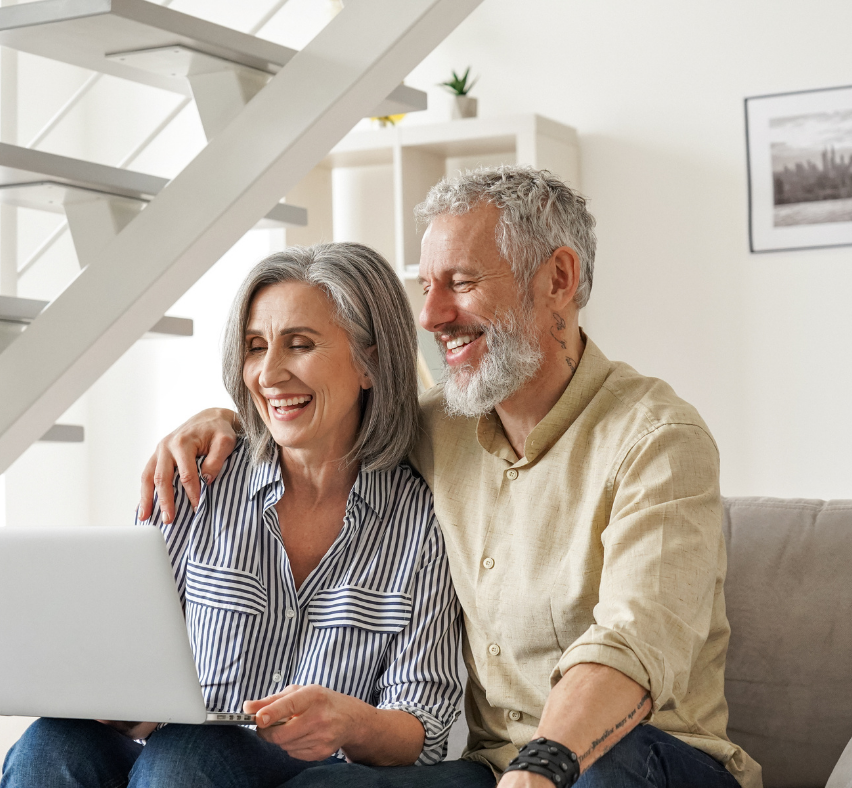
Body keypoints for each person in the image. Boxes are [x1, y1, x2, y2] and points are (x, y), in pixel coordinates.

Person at [140, 166, 763, 788]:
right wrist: (222, 420)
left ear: (558, 279)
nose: (432, 316)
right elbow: (327, 418)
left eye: (461, 284)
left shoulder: (658, 440)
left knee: (608, 772)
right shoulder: (439, 428)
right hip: (492, 768)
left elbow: (633, 645)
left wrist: (541, 767)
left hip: (647, 759)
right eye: (427, 287)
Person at [0, 243, 492, 788]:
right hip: (167, 759)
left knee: (188, 755)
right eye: (255, 347)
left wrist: (349, 722)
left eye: (300, 345)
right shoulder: (194, 481)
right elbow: (128, 670)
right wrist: (113, 700)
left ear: (369, 362)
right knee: (50, 743)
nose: (270, 373)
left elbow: (420, 729)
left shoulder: (419, 519)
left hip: (295, 773)